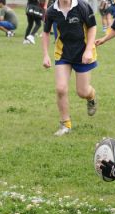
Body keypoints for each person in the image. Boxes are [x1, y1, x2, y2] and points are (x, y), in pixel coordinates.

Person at [42, 0, 98, 136]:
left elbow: (92, 27)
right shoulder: (51, 11)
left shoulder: (82, 6)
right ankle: (65, 124)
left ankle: (91, 97)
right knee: (60, 88)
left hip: (83, 53)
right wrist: (45, 55)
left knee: (82, 92)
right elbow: (45, 32)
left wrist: (88, 50)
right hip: (63, 54)